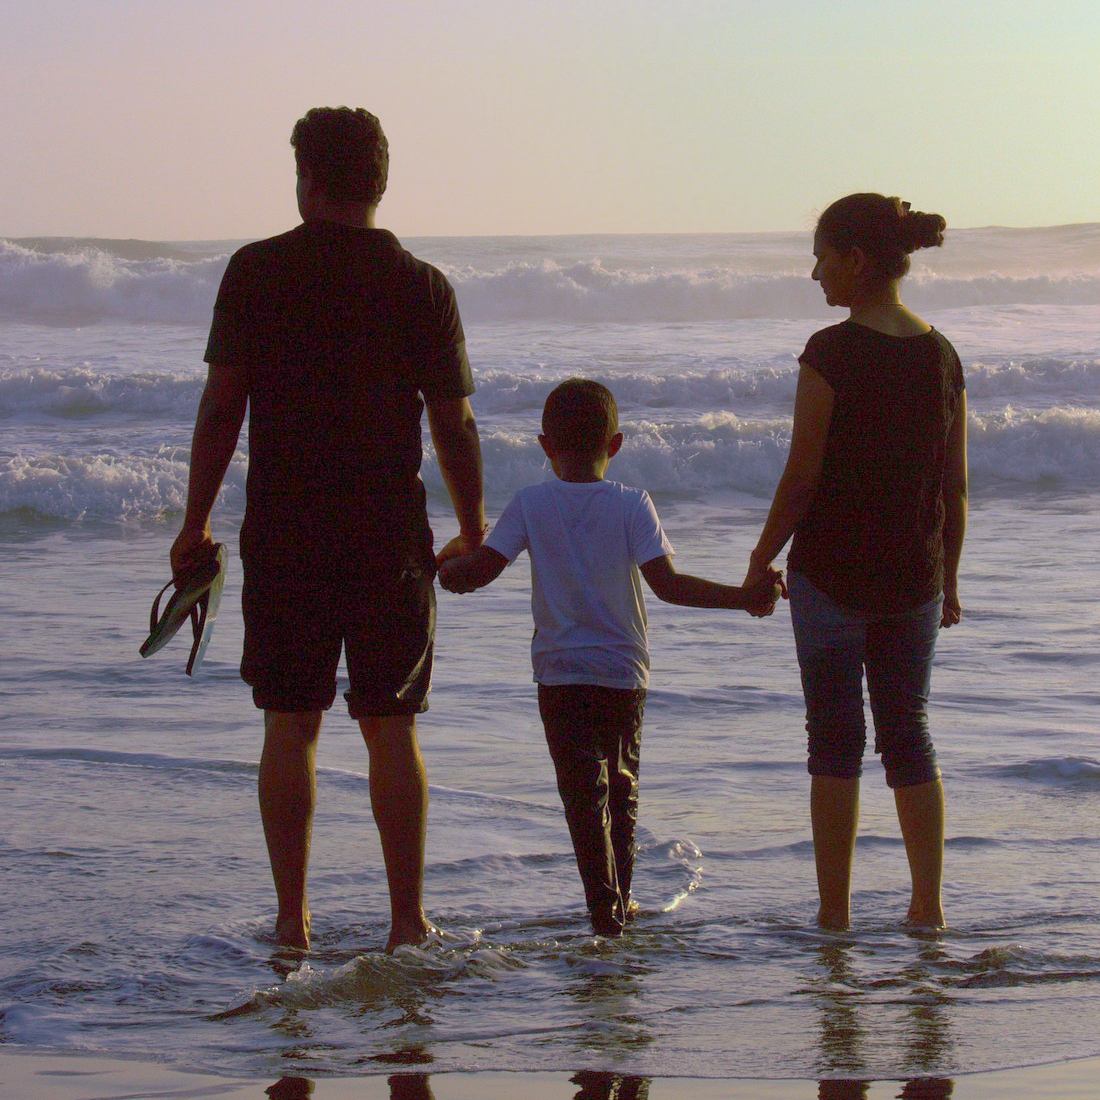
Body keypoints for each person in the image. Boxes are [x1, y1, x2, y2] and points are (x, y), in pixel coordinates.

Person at [170, 107, 486, 953]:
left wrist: (195, 521)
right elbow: (453, 423)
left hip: (286, 527)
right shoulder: (421, 284)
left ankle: (292, 919)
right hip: (388, 533)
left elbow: (221, 405)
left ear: (306, 179)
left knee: (290, 721)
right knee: (391, 726)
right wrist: (475, 526)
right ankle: (407, 921)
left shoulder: (257, 271)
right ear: (381, 182)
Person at [439, 379, 781, 936]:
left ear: (545, 445)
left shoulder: (530, 503)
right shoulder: (631, 503)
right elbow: (668, 586)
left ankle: (605, 915)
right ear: (615, 445)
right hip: (624, 674)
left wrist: (435, 567)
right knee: (622, 792)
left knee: (582, 798)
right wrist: (742, 598)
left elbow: (476, 574)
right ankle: (618, 907)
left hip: (559, 674)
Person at [743, 193, 968, 930]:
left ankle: (835, 915)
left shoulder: (831, 351)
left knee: (834, 742)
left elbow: (801, 477)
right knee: (910, 730)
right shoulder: (940, 353)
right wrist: (953, 577)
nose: (815, 274)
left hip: (832, 577)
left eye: (822, 257)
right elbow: (953, 483)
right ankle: (927, 908)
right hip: (915, 579)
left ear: (856, 260)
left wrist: (759, 559)